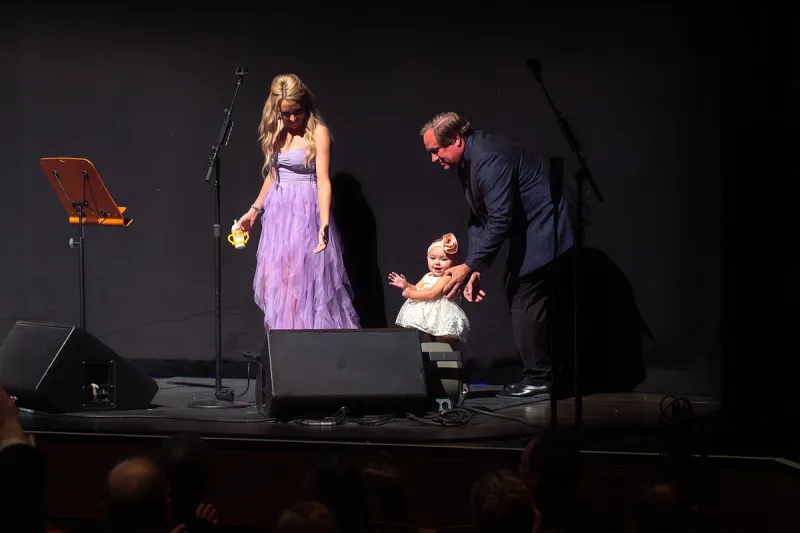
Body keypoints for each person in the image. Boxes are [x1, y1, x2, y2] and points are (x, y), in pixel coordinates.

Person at [419, 112, 575, 398]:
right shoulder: (468, 160)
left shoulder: (488, 159)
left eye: (435, 151)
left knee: (524, 294)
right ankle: (542, 373)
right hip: (529, 228)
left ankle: (540, 378)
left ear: (455, 140)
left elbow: (500, 218)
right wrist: (474, 264)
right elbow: (480, 216)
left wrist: (469, 265)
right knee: (519, 291)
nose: (433, 158)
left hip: (547, 225)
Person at [235, 73, 360, 330]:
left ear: (306, 105)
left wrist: (324, 223)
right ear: (276, 111)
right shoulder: (275, 133)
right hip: (279, 216)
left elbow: (324, 180)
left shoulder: (318, 133)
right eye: (286, 114)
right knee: (283, 283)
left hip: (306, 213)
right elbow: (273, 177)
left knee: (307, 284)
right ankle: (289, 351)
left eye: (297, 112)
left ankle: (320, 355)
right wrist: (254, 211)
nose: (293, 119)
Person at [388, 233, 470, 346]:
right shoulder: (428, 276)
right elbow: (417, 288)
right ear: (427, 258)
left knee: (443, 347)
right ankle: (429, 363)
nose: (437, 262)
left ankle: (448, 362)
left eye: (443, 259)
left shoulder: (446, 278)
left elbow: (432, 294)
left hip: (443, 320)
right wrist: (406, 285)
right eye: (432, 258)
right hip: (429, 321)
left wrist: (410, 293)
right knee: (427, 346)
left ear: (455, 262)